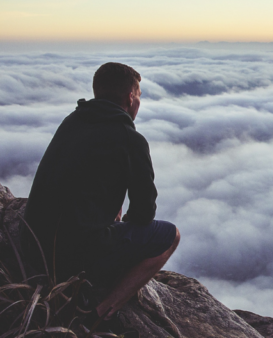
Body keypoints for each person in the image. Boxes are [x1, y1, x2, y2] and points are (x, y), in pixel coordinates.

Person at [23, 62, 180, 325]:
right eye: (138, 96)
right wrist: (122, 222)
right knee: (169, 236)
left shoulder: (72, 121)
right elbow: (144, 213)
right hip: (72, 259)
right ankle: (98, 314)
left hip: (32, 249)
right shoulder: (131, 139)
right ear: (131, 98)